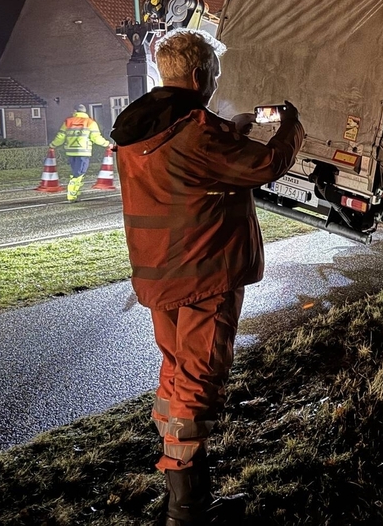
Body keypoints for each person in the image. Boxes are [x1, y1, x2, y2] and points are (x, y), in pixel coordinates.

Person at [111, 29, 304, 525]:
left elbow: (186, 168)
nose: (214, 84)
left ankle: (182, 493)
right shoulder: (196, 129)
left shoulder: (139, 128)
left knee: (174, 374)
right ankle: (188, 512)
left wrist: (231, 129)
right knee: (196, 388)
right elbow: (264, 165)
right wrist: (291, 130)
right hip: (204, 276)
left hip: (158, 275)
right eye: (213, 76)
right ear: (200, 76)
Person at [49, 104, 112, 202]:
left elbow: (60, 137)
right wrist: (107, 144)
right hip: (83, 152)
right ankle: (72, 194)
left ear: (75, 111)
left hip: (70, 152)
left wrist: (53, 145)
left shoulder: (68, 122)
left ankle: (76, 193)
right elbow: (96, 138)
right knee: (79, 173)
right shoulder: (90, 122)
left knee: (76, 172)